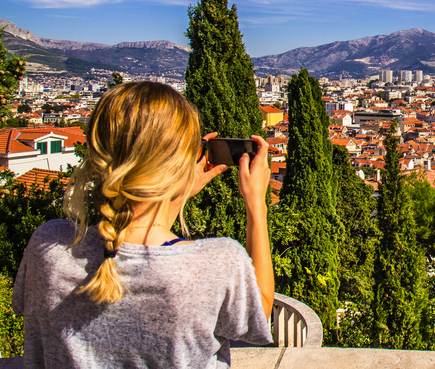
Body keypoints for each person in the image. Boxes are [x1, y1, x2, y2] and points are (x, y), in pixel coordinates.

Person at [12, 81, 274, 368]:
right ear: (177, 164)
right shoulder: (217, 262)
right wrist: (256, 204)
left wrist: (178, 185)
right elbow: (259, 315)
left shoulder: (49, 244)